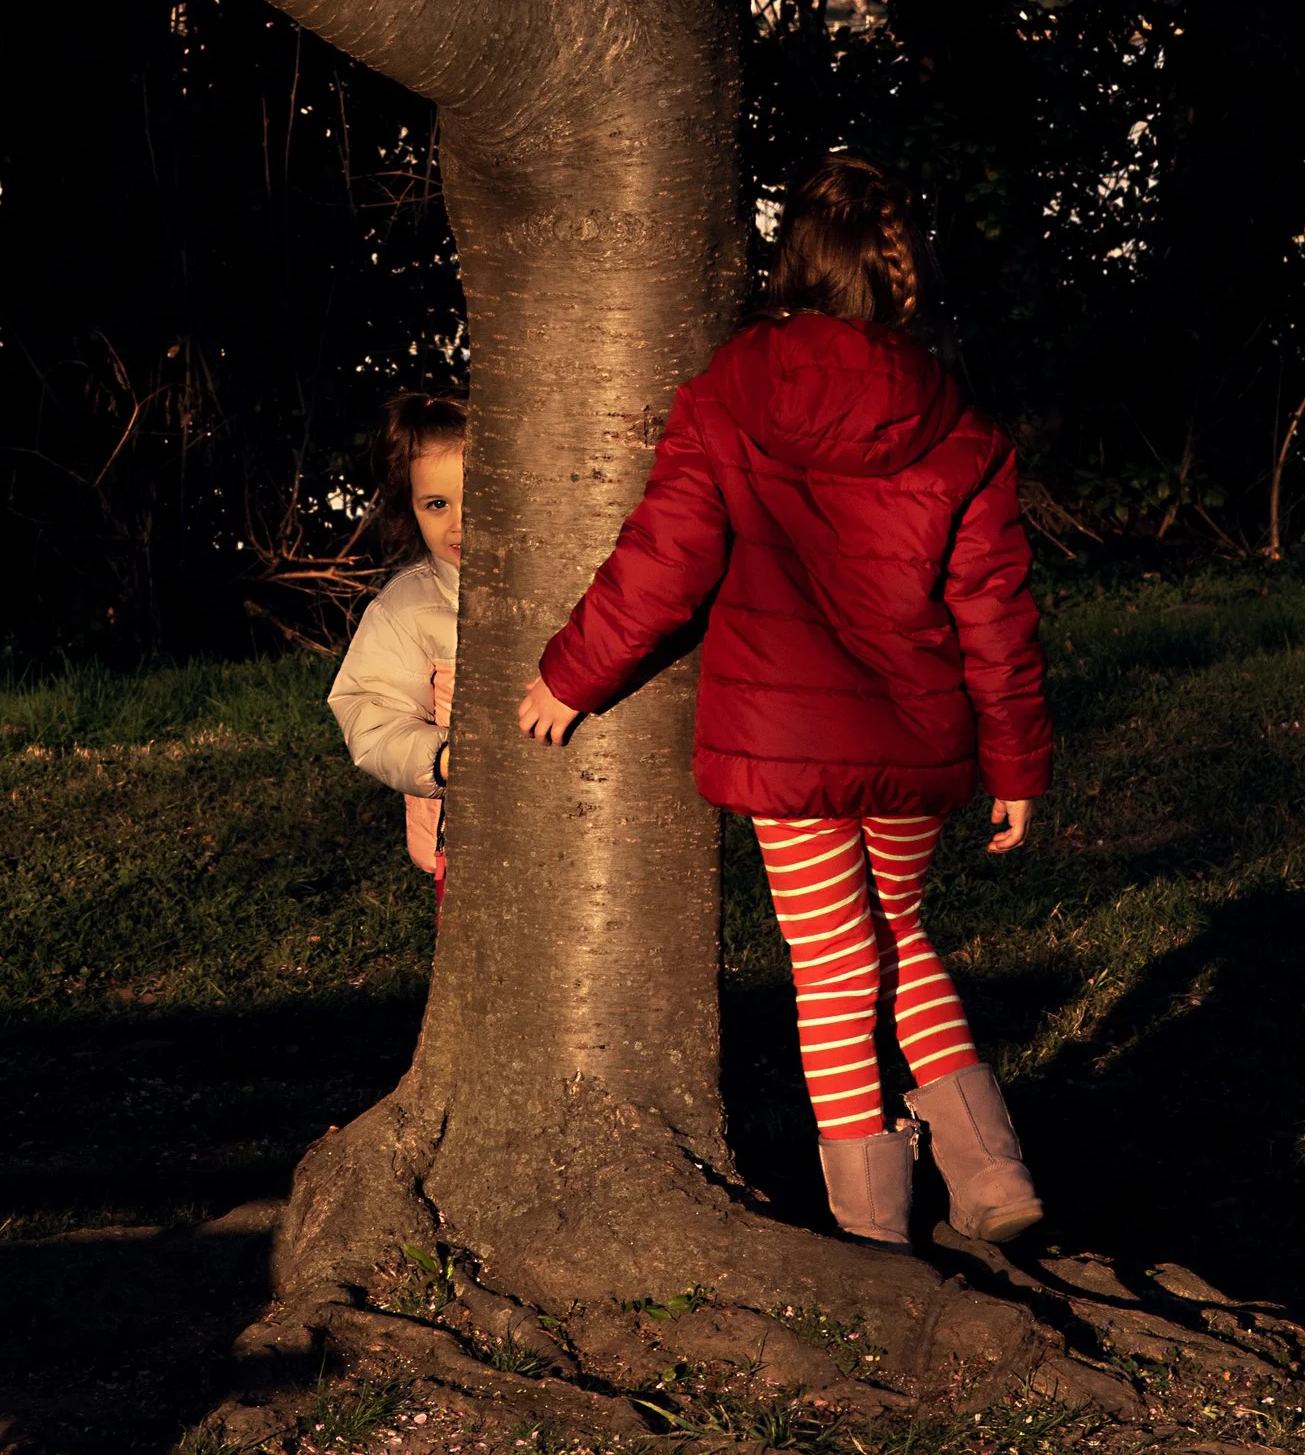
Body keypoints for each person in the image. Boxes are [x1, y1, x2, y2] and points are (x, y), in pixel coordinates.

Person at [517, 155, 1052, 1255]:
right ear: (903, 279)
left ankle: (871, 1223)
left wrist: (571, 673)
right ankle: (991, 1171)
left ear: (789, 262)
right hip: (914, 737)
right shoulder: (956, 425)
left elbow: (665, 558)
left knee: (830, 964)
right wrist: (1015, 761)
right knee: (898, 931)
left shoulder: (729, 393)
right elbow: (994, 609)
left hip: (788, 743)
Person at [328, 390, 463, 887]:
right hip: (465, 841)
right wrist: (442, 757)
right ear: (410, 507)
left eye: (480, 497)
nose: (459, 523)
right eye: (436, 503)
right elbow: (369, 711)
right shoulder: (407, 609)